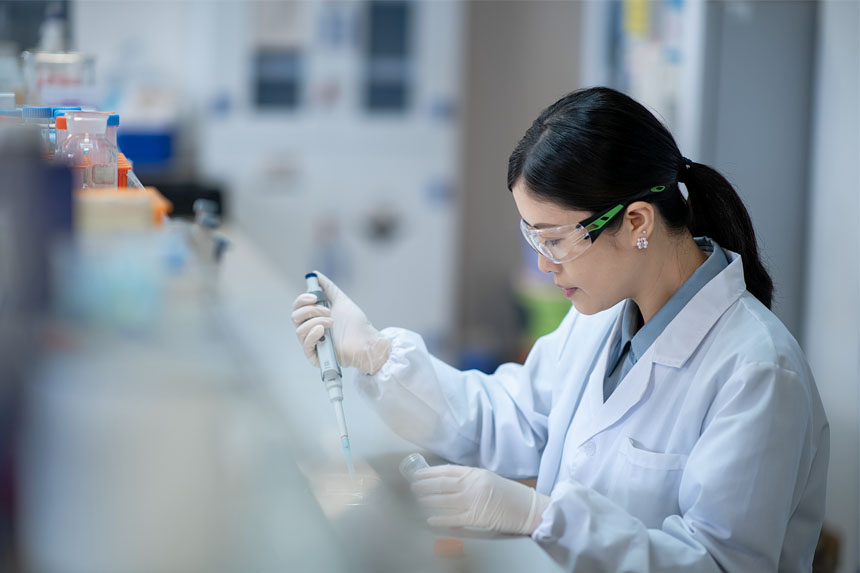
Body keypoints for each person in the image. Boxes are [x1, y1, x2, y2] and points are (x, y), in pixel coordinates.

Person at [291, 87, 829, 571]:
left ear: (636, 222)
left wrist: (544, 517)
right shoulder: (600, 319)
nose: (545, 266)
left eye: (554, 240)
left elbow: (718, 565)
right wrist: (379, 356)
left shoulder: (758, 373)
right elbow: (514, 417)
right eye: (533, 238)